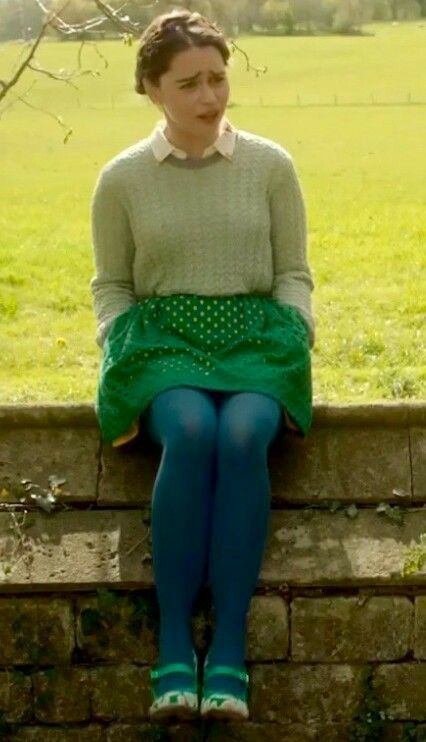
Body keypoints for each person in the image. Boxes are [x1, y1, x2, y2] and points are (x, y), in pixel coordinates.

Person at [89, 8, 315, 724]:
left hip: (256, 337)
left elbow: (294, 272)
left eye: (219, 79)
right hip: (161, 343)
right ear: (153, 89)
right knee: (189, 430)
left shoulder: (272, 166)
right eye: (190, 84)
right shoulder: (121, 179)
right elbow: (112, 287)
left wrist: (296, 328)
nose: (210, 97)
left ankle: (230, 652)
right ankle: (172, 647)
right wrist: (119, 338)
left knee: (243, 433)